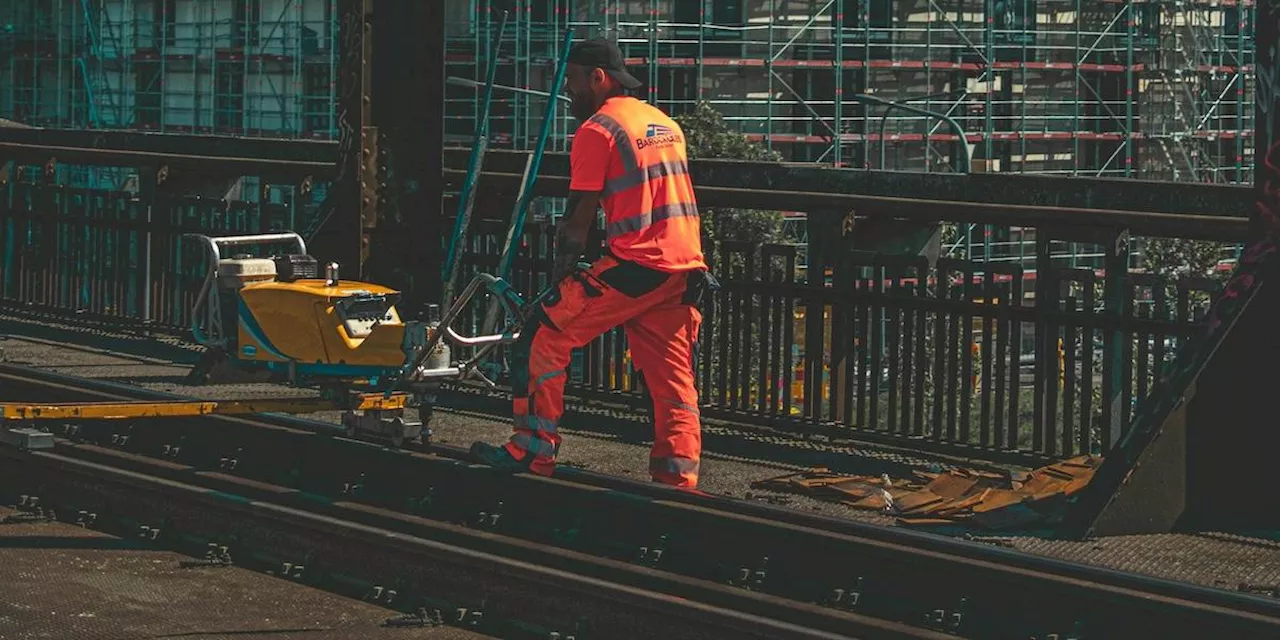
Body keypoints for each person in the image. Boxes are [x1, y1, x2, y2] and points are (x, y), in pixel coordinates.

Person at [469, 37, 717, 489]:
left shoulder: (598, 130)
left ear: (597, 78)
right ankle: (677, 479)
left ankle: (531, 452)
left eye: (572, 82)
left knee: (541, 336)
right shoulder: (663, 123)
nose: (568, 93)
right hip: (685, 270)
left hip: (638, 264)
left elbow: (578, 219)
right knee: (671, 377)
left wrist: (562, 273)